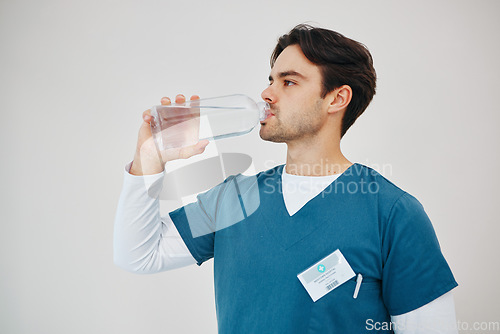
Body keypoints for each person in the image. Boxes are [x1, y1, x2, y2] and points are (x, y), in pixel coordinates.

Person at [114, 24, 458, 333]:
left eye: (288, 81)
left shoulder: (393, 214)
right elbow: (139, 255)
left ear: (337, 98)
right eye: (270, 80)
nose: (267, 94)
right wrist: (150, 158)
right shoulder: (235, 198)